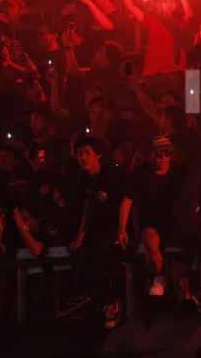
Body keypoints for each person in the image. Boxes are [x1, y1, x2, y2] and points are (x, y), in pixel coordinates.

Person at [70, 135, 132, 329]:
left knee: (103, 252)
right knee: (80, 252)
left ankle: (113, 304)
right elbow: (87, 207)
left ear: (97, 155)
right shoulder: (83, 178)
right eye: (79, 154)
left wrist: (122, 229)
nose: (82, 157)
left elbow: (126, 199)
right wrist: (79, 237)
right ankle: (95, 301)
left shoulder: (111, 174)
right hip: (97, 228)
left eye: (86, 153)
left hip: (117, 225)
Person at [131, 136, 190, 296]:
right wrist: (122, 229)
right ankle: (159, 277)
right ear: (152, 155)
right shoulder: (142, 173)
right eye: (159, 155)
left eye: (167, 154)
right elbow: (128, 199)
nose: (163, 158)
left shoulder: (178, 174)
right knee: (150, 241)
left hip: (172, 222)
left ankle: (172, 283)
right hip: (150, 222)